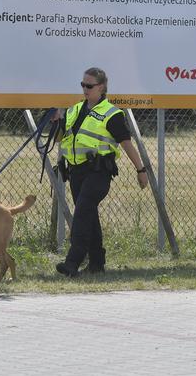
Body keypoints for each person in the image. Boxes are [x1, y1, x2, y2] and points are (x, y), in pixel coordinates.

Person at [53, 67, 148, 277]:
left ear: (101, 87)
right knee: (89, 215)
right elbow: (61, 139)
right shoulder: (75, 110)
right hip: (76, 172)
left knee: (82, 212)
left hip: (98, 173)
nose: (85, 89)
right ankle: (97, 263)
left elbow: (126, 144)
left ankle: (73, 261)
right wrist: (57, 123)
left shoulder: (112, 114)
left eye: (89, 86)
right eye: (82, 85)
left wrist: (141, 170)